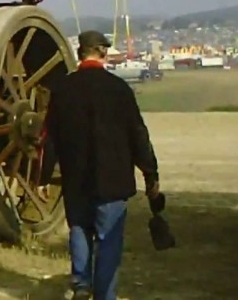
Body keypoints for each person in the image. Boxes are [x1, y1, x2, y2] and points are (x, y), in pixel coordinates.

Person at [43, 30, 160, 300]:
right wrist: (150, 172)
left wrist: (44, 176)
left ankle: (82, 284)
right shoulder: (119, 89)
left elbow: (50, 136)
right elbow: (138, 134)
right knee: (108, 240)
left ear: (79, 53)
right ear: (103, 53)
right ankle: (104, 295)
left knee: (79, 230)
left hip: (76, 178)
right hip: (113, 178)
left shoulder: (62, 89)